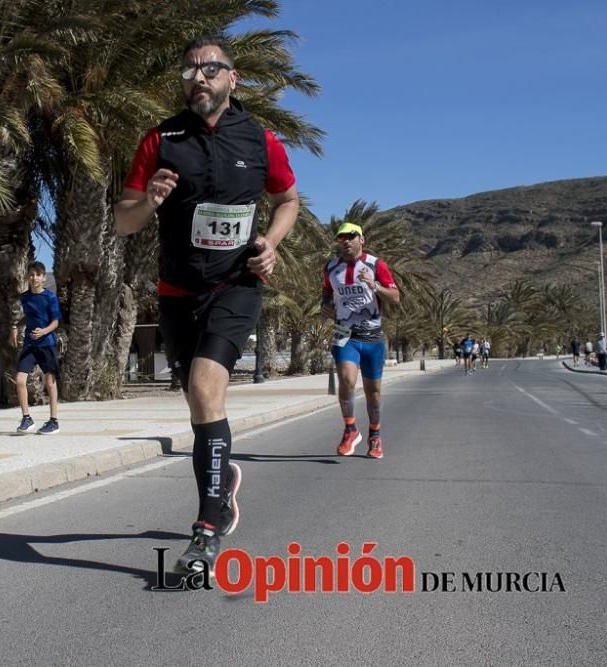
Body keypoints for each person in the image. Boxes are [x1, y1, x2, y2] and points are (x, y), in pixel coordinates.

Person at [114, 34, 299, 577]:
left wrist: (271, 243)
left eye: (211, 69)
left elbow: (287, 199)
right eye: (190, 69)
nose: (199, 77)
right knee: (200, 408)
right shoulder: (160, 140)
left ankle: (207, 527)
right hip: (177, 291)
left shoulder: (261, 139)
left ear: (232, 78)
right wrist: (149, 200)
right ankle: (224, 485)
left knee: (204, 387)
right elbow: (123, 220)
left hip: (236, 285)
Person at [321, 222, 400, 460]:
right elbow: (326, 292)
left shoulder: (376, 265)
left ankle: (374, 435)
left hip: (373, 337)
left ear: (361, 239)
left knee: (372, 392)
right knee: (346, 379)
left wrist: (373, 285)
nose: (345, 241)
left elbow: (395, 297)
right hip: (345, 334)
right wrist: (324, 306)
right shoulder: (331, 267)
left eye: (350, 236)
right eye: (340, 238)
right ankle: (350, 428)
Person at [10, 261, 62, 434]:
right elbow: (28, 317)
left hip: (47, 344)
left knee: (49, 381)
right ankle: (27, 418)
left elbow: (55, 322)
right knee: (19, 380)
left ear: (43, 277)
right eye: (31, 275)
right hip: (30, 345)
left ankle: (53, 421)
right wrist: (15, 328)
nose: (34, 278)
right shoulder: (25, 297)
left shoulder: (50, 297)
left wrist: (44, 331)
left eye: (37, 275)